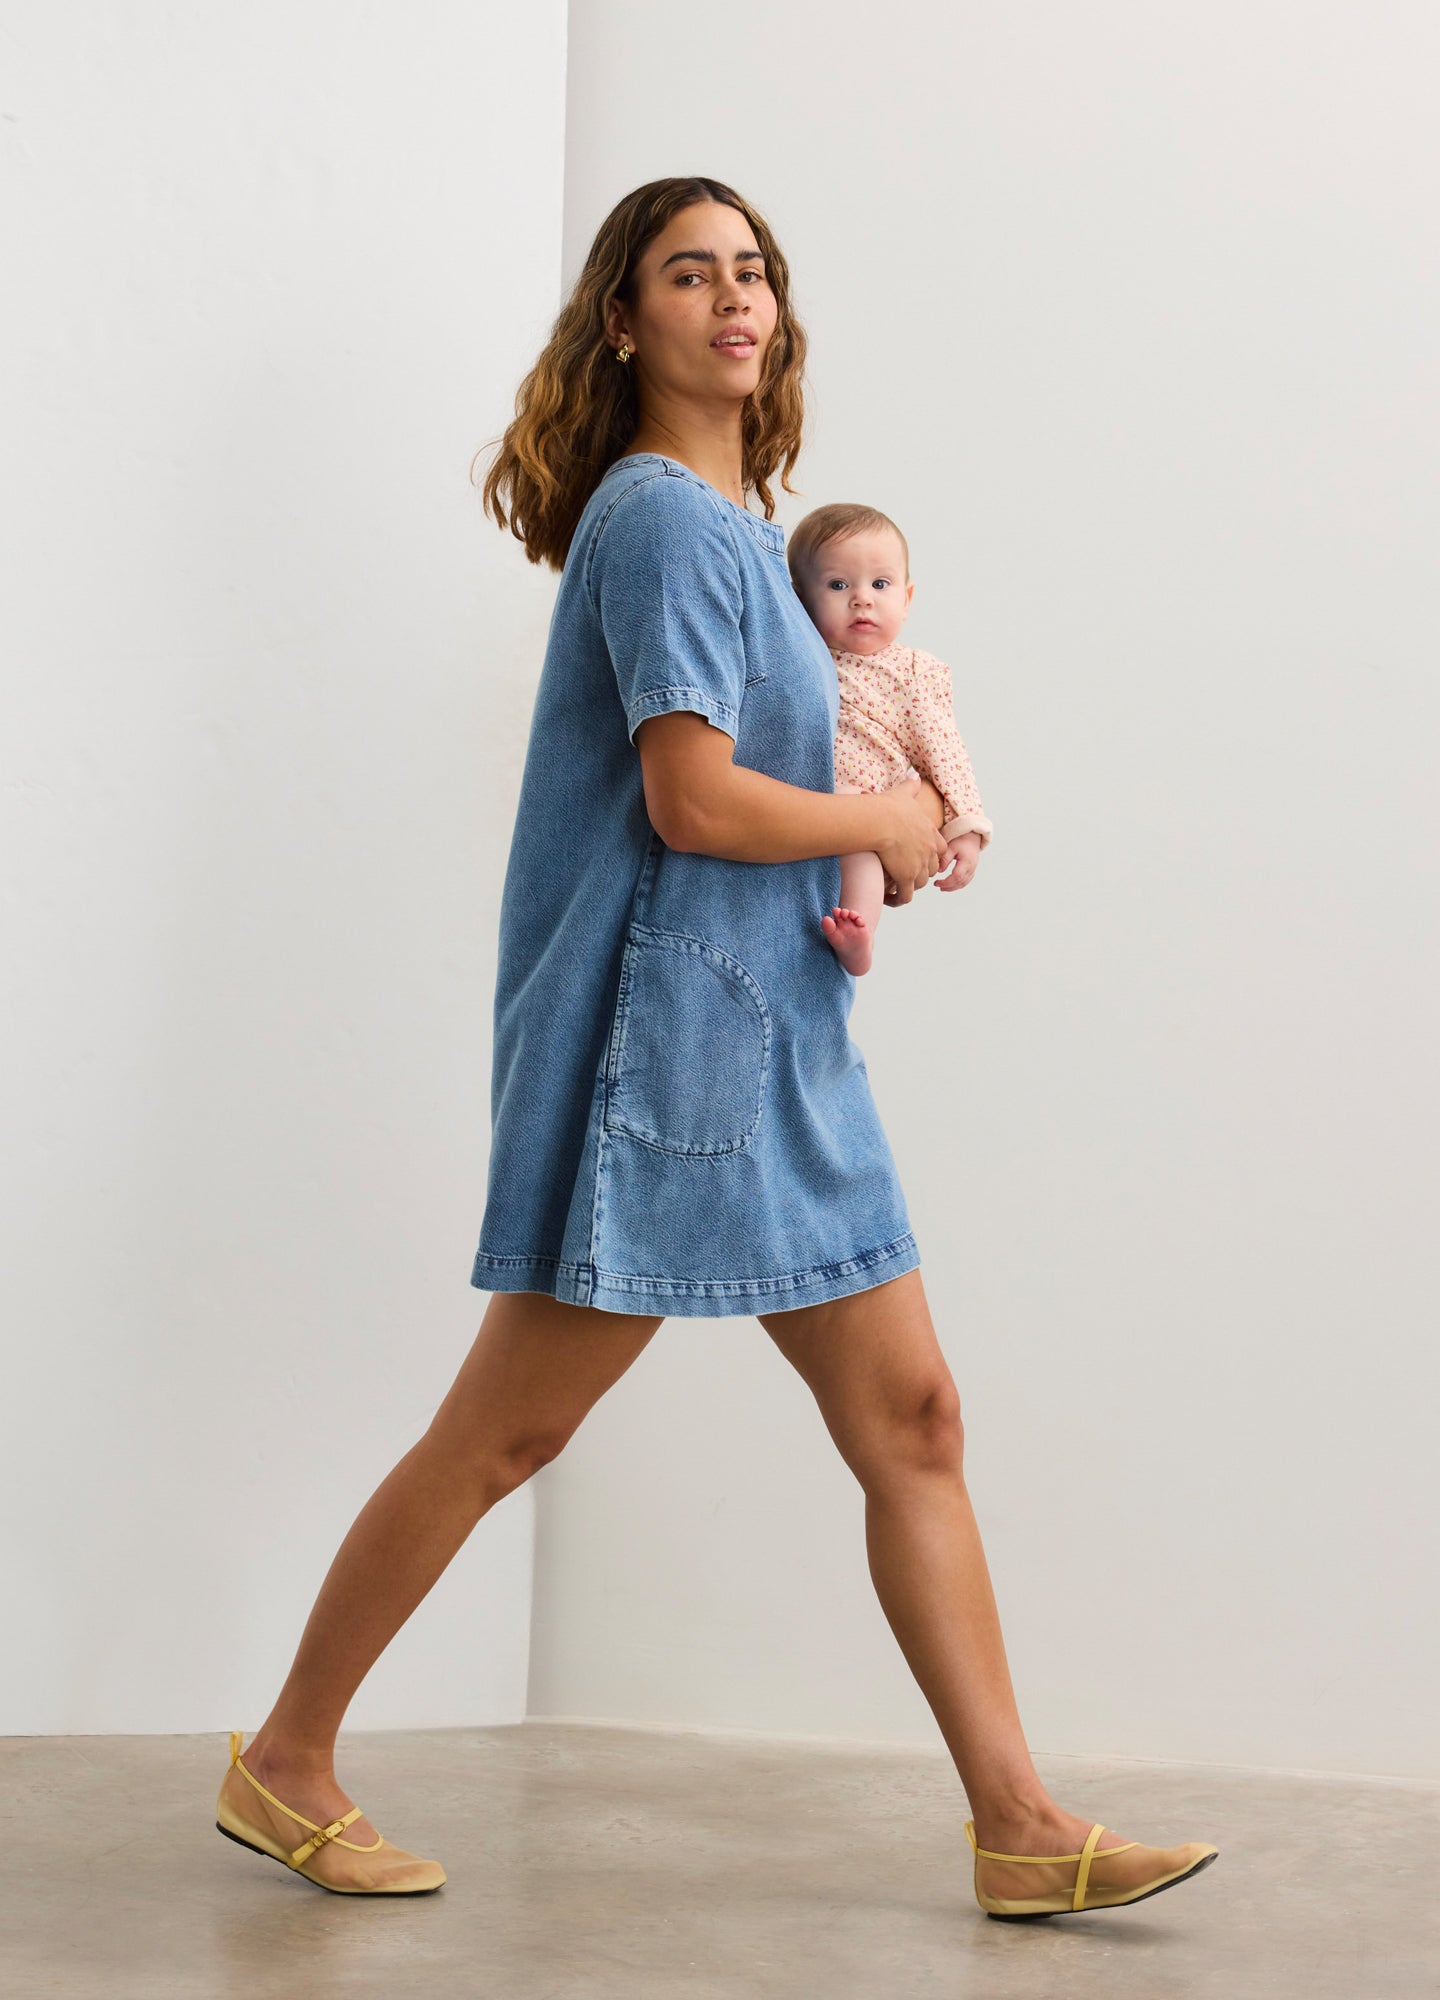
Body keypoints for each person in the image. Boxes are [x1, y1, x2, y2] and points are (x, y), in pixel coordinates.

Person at [215, 175, 1220, 1919]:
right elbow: (686, 800)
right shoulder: (669, 524)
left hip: (774, 1051)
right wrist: (884, 821)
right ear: (627, 318)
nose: (736, 300)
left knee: (915, 1418)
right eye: (692, 274)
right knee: (505, 1435)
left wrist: (883, 821)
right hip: (668, 1066)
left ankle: (1019, 1828)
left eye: (754, 272)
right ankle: (284, 1758)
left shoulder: (746, 525)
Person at [787, 502, 995, 977]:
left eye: (880, 585)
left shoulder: (914, 672)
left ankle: (861, 938)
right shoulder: (799, 659)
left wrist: (966, 829)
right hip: (802, 803)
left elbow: (945, 751)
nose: (862, 598)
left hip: (867, 800)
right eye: (838, 585)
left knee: (860, 846)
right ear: (800, 599)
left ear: (907, 597)